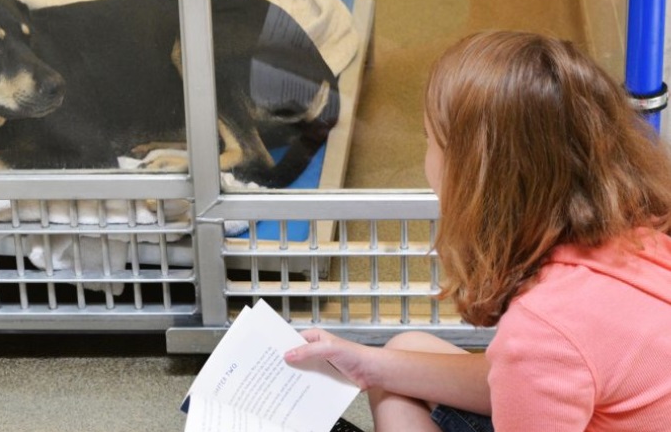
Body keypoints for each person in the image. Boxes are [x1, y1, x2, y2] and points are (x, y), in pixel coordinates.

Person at [286, 30, 671, 431]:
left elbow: (537, 357)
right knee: (401, 355)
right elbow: (534, 376)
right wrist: (370, 365)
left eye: (429, 139)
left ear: (473, 176)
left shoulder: (542, 328)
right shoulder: (634, 236)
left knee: (398, 401)